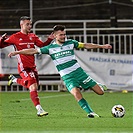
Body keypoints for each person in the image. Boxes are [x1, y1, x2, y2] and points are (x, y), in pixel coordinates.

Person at [8, 25, 112, 118]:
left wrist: (102, 46)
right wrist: (18, 52)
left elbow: (85, 45)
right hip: (68, 77)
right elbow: (33, 50)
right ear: (54, 35)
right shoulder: (50, 48)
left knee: (100, 93)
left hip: (80, 73)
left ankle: (98, 85)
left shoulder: (71, 43)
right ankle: (90, 112)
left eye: (64, 34)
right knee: (76, 92)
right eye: (61, 35)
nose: (63, 36)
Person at [0, 16, 54, 117]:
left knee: (34, 86)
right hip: (23, 67)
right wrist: (1, 40)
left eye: (30, 24)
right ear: (21, 25)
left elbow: (42, 46)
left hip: (33, 66)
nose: (30, 26)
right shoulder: (15, 37)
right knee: (32, 86)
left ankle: (15, 80)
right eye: (27, 24)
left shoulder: (33, 36)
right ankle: (39, 109)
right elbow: (1, 45)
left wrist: (49, 40)